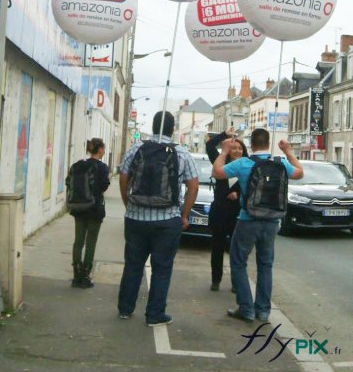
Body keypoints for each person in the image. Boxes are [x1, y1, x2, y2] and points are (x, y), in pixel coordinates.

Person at [212, 128, 303, 322]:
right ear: (268, 142)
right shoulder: (280, 163)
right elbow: (300, 173)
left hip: (248, 220)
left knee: (238, 262)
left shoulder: (243, 163)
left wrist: (224, 151)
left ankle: (246, 308)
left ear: (251, 144)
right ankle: (262, 310)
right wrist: (287, 151)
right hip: (271, 222)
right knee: (265, 265)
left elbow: (217, 172)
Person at [118, 111, 199, 327]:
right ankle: (155, 315)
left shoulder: (136, 149)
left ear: (153, 127)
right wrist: (184, 214)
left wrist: (129, 204)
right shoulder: (181, 153)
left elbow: (124, 177)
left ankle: (125, 309)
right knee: (162, 268)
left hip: (135, 218)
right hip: (167, 220)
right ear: (172, 129)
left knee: (133, 264)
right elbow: (193, 186)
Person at [206, 129, 248, 292]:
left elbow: (253, 187)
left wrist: (239, 193)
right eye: (233, 148)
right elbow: (209, 145)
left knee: (236, 250)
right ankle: (215, 280)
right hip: (220, 212)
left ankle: (235, 283)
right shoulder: (220, 163)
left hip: (239, 214)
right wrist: (224, 135)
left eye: (240, 148)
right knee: (217, 247)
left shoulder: (248, 166)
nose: (236, 151)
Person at [69, 138, 110, 288]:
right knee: (90, 242)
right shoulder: (102, 168)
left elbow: (69, 182)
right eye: (103, 149)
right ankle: (86, 276)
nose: (104, 151)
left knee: (78, 242)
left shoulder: (78, 166)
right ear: (99, 150)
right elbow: (103, 186)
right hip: (95, 209)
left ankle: (76, 275)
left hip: (78, 208)